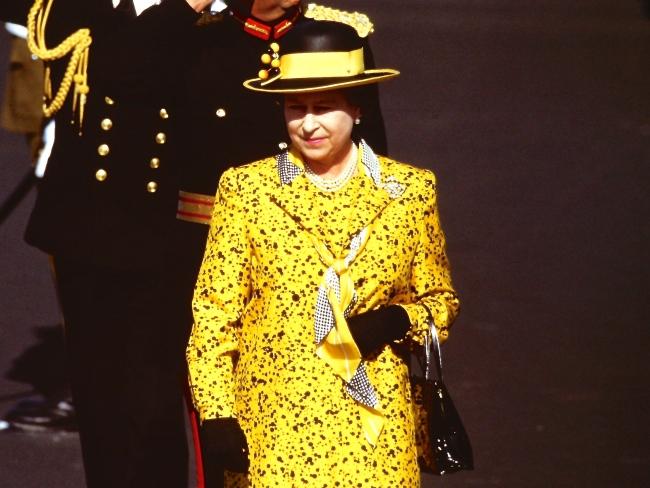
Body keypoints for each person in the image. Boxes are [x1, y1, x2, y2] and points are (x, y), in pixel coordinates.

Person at [5, 1, 386, 487]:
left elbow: (359, 160)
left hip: (250, 251)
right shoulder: (126, 15)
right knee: (132, 429)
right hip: (124, 249)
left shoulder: (289, 30)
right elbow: (119, 70)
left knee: (258, 426)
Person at [187, 20, 461, 488]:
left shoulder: (409, 191)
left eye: (324, 107)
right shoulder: (246, 189)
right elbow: (214, 314)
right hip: (275, 428)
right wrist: (216, 412)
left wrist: (396, 321)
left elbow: (441, 301)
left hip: (375, 429)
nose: (308, 124)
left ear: (357, 108)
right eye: (296, 108)